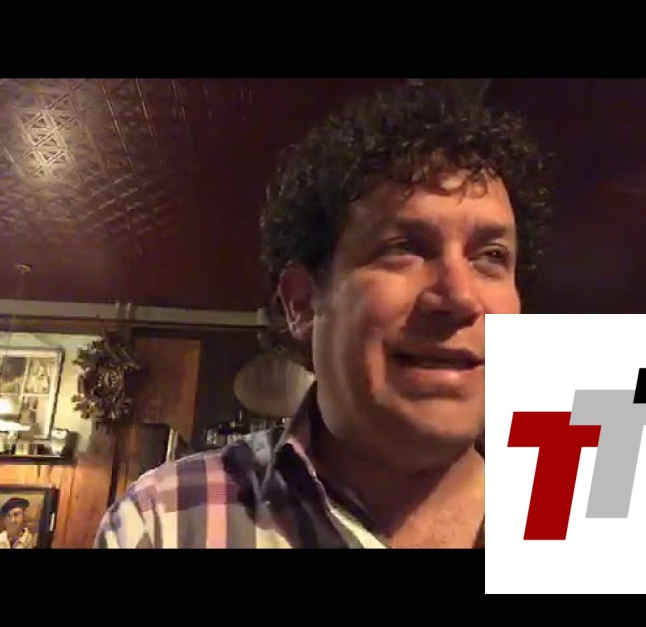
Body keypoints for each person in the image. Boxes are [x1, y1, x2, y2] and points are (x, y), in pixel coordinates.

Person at [94, 82, 553, 549]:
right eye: (404, 248)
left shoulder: (584, 513)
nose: (461, 297)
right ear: (301, 302)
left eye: (491, 256)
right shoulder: (165, 523)